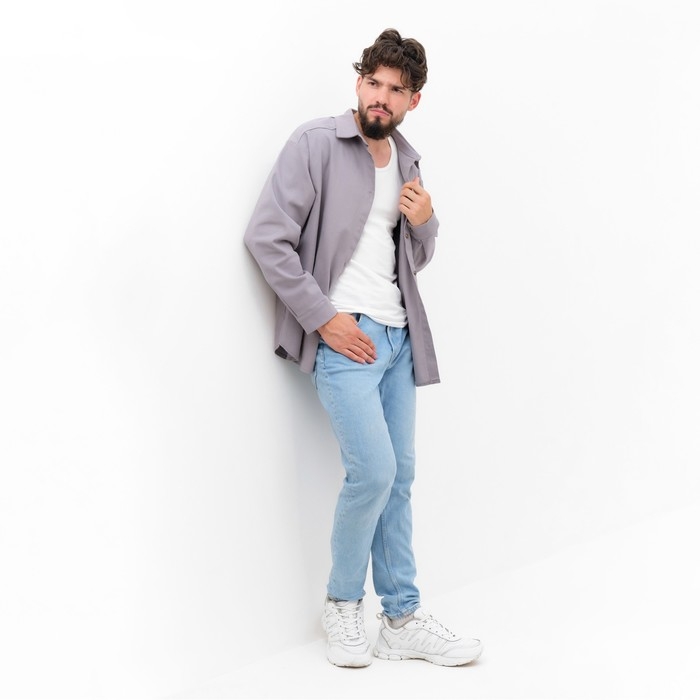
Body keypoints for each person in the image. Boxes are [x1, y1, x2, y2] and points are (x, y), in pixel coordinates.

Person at [243, 28, 482, 668]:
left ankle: (401, 617)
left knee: (398, 479)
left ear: (413, 100)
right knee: (372, 473)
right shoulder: (316, 144)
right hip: (347, 338)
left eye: (395, 90)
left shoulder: (408, 162)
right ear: (358, 82)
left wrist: (426, 221)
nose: (381, 97)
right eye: (372, 83)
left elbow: (412, 261)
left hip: (399, 338)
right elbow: (266, 237)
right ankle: (343, 604)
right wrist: (324, 319)